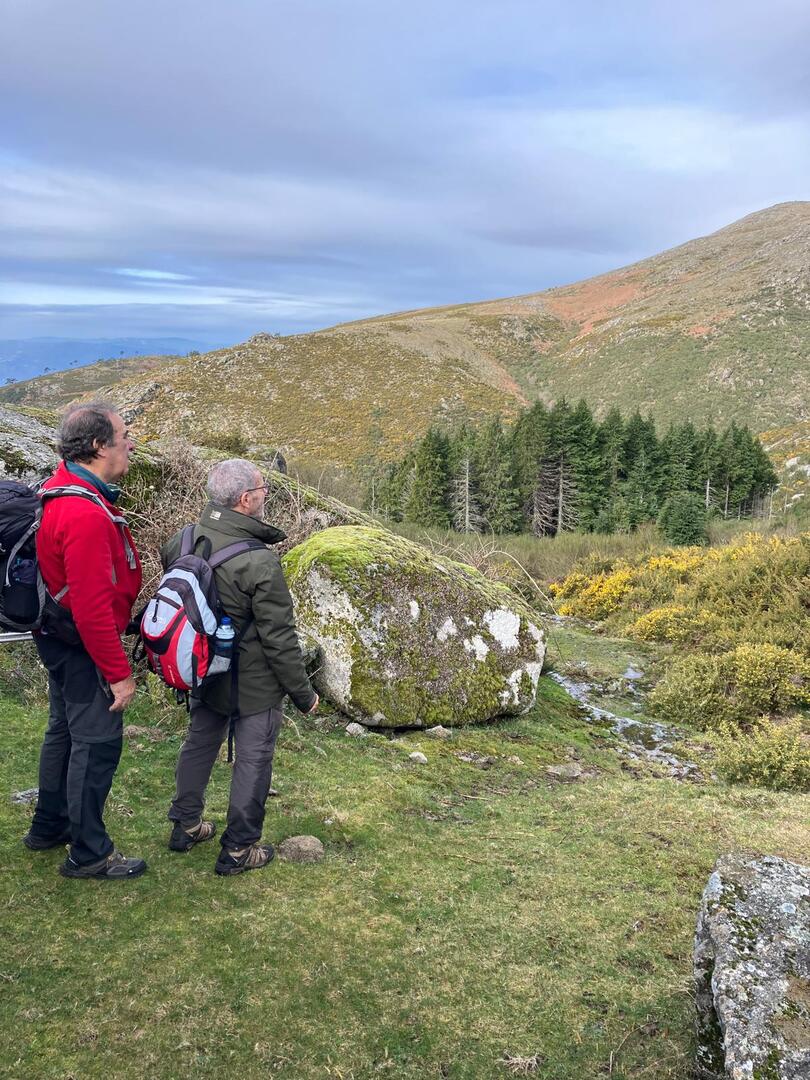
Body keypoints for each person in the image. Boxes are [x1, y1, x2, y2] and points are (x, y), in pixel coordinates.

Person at [162, 458, 318, 876]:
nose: (267, 496)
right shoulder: (260, 562)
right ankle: (239, 849)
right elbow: (279, 639)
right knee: (253, 758)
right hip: (254, 684)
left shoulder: (183, 539)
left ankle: (185, 825)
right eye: (264, 490)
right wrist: (303, 694)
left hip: (201, 669)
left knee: (199, 743)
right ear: (246, 500)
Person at [23, 402, 146, 880]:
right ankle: (90, 852)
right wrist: (119, 674)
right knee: (96, 744)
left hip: (56, 637)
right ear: (98, 446)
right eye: (123, 436)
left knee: (63, 731)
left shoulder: (59, 490)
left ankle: (49, 826)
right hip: (81, 645)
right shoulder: (84, 513)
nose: (129, 444)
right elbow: (93, 609)